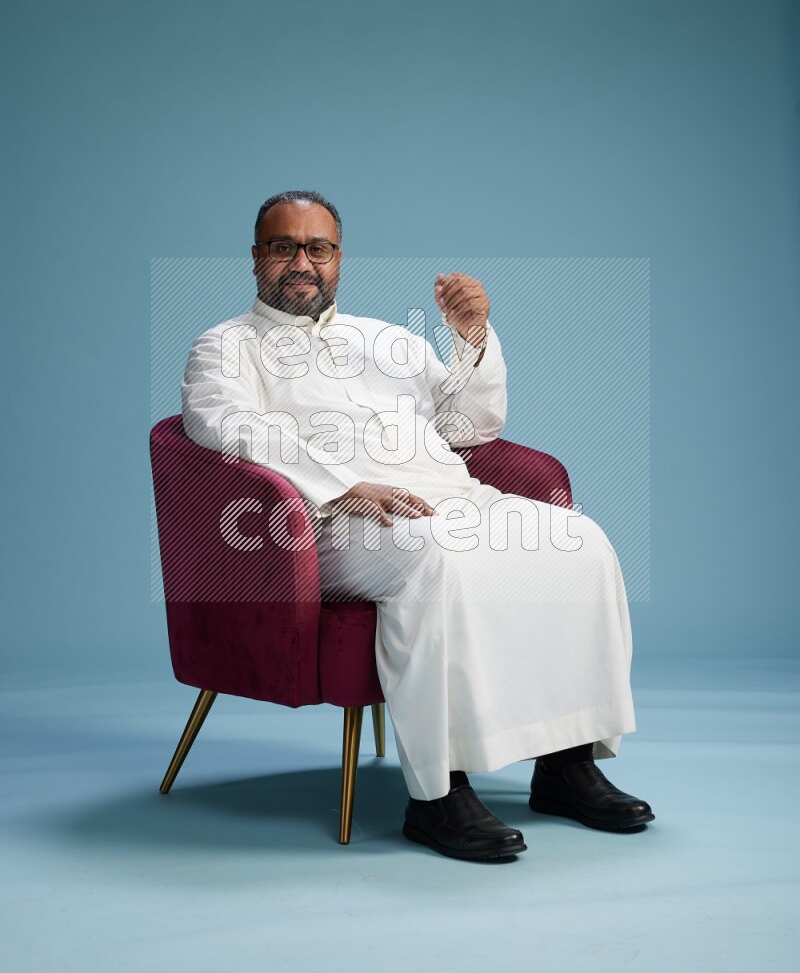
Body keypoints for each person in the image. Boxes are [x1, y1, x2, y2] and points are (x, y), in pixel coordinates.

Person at [181, 189, 655, 862]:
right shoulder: (224, 346)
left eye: (318, 247)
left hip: (450, 498)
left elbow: (472, 426)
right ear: (257, 256)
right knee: (438, 560)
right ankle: (438, 795)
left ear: (338, 258)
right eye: (283, 246)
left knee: (581, 541)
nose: (302, 261)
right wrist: (344, 484)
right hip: (325, 525)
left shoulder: (389, 341)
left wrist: (472, 341)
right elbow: (222, 424)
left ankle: (566, 764)